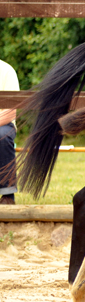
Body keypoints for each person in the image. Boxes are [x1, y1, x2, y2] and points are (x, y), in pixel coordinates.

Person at [0, 59, 19, 205]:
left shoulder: (6, 70)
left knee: (2, 136)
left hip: (3, 123)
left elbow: (10, 112)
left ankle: (7, 195)